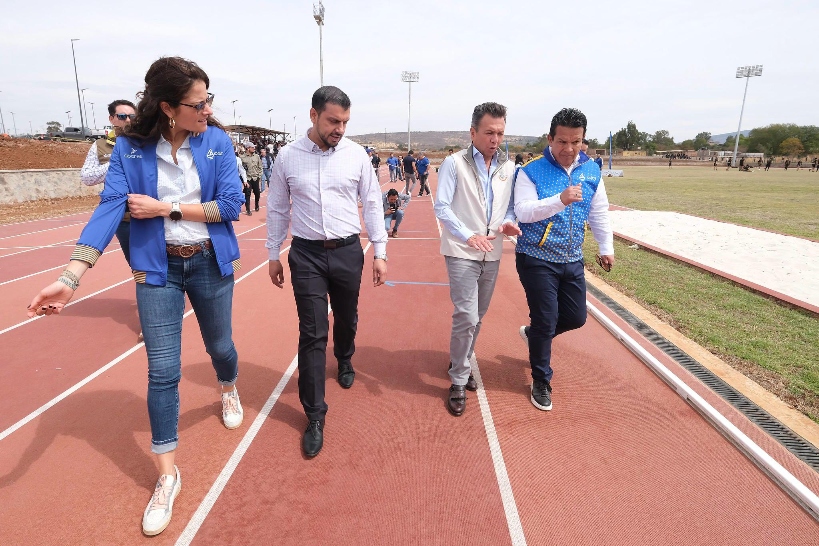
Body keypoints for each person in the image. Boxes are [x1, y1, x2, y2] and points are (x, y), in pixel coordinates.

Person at [26, 56, 245, 536]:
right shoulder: (128, 148)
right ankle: (167, 475)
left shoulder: (218, 142)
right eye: (198, 103)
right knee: (162, 370)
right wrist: (71, 275)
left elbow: (231, 205)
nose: (208, 108)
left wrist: (165, 207)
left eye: (208, 99)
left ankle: (227, 386)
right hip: (156, 269)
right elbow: (110, 208)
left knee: (220, 347)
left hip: (210, 260)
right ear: (168, 107)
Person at [266, 86, 388, 457]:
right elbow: (276, 209)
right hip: (307, 255)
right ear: (313, 115)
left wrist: (379, 251)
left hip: (349, 251)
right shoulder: (287, 158)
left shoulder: (356, 157)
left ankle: (346, 356)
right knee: (312, 332)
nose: (340, 128)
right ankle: (315, 414)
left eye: (345, 122)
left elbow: (371, 203)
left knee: (347, 317)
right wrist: (273, 253)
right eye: (334, 120)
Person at [514, 108, 614, 412]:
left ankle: (534, 337)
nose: (569, 149)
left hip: (572, 258)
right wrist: (560, 200)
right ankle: (541, 379)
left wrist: (606, 246)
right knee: (545, 319)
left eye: (576, 142)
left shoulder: (591, 171)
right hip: (536, 256)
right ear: (550, 138)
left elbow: (598, 211)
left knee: (575, 318)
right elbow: (523, 211)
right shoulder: (530, 171)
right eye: (562, 142)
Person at [434, 102, 521, 417]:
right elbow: (442, 207)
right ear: (473, 132)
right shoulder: (454, 164)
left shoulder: (507, 168)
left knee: (479, 316)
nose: (495, 139)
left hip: (492, 252)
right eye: (488, 132)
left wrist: (509, 222)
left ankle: (461, 359)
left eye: (500, 132)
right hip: (461, 251)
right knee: (467, 316)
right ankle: (458, 378)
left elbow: (509, 206)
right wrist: (467, 235)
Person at [80, 99, 137, 265]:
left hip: (151, 215)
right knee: (136, 266)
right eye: (122, 116)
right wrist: (117, 162)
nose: (127, 120)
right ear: (112, 119)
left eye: (132, 116)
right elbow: (87, 177)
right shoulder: (100, 145)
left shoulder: (145, 142)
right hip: (124, 218)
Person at [241, 143, 262, 215]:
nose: (254, 148)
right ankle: (248, 209)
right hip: (248, 179)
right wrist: (244, 180)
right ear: (248, 148)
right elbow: (241, 169)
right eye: (252, 147)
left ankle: (257, 204)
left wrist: (259, 175)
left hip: (256, 178)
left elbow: (260, 166)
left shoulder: (257, 156)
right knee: (247, 194)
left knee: (257, 193)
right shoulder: (242, 157)